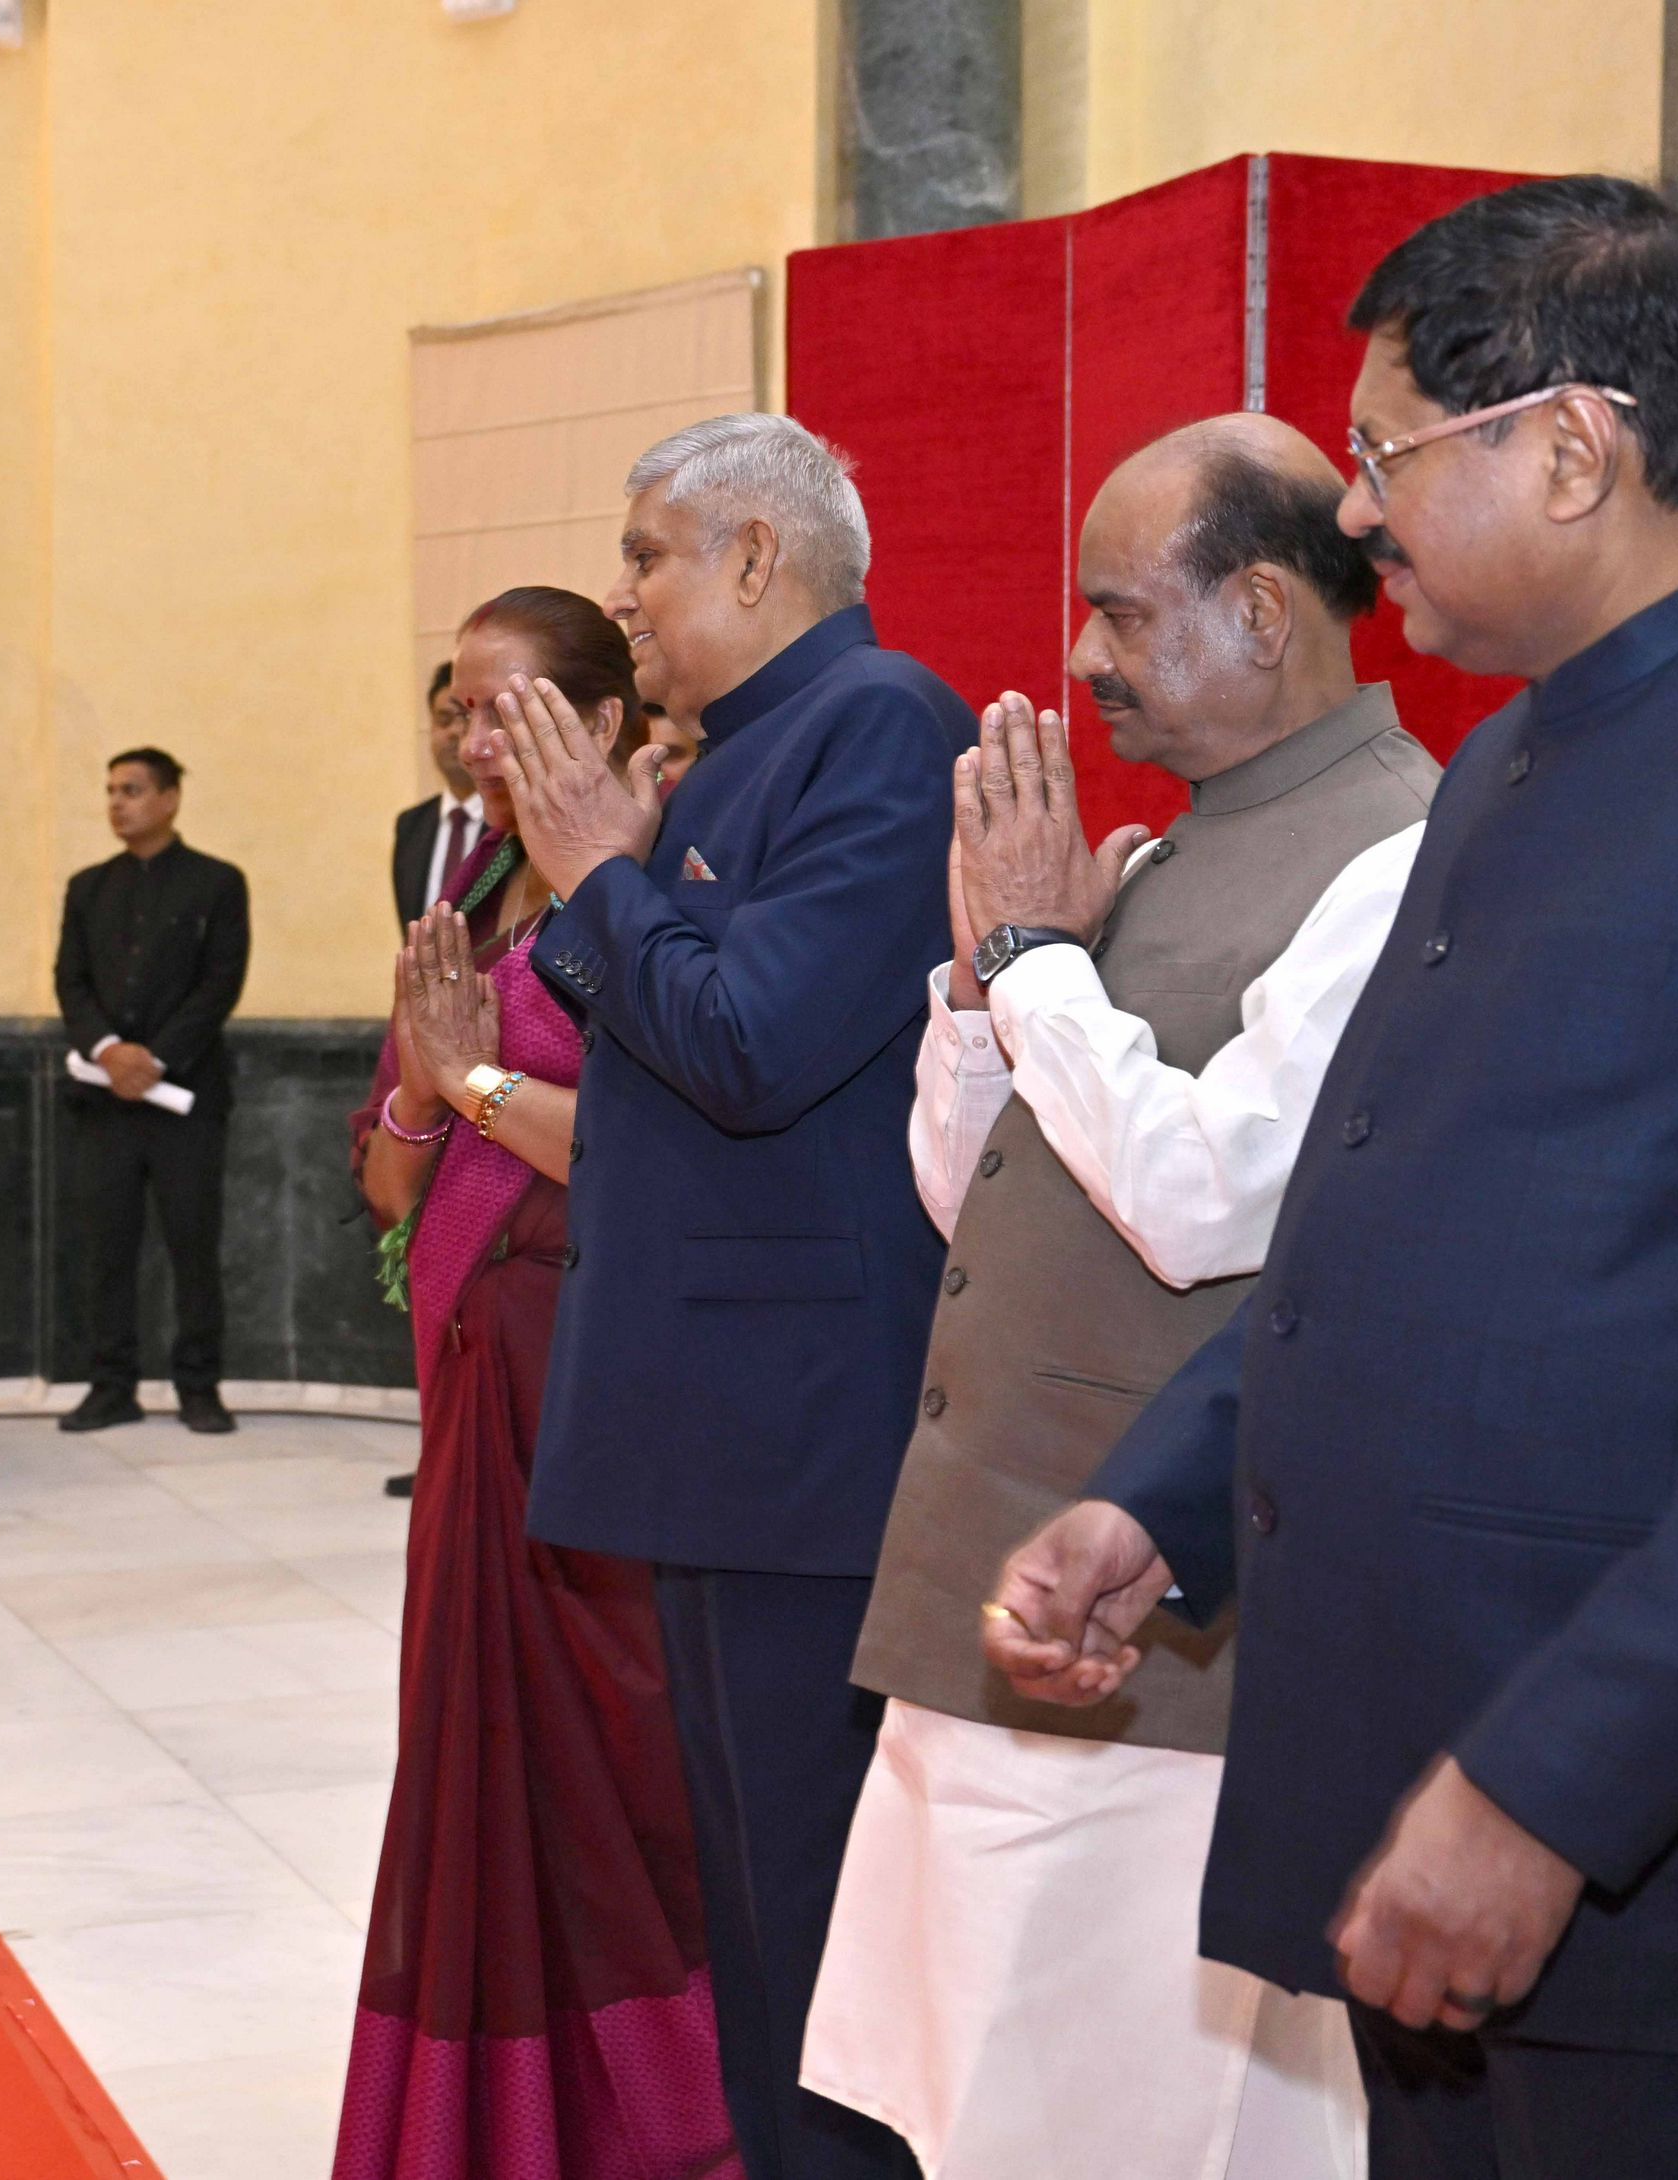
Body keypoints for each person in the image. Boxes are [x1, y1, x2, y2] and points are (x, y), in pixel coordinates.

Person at [989, 175, 1678, 2180]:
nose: (1356, 513)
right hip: (1442, 1806)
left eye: (1390, 452)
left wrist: (1552, 1789)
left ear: (1572, 449)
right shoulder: (1506, 762)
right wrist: (1165, 1503)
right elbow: (1401, 1212)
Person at [806, 417, 1429, 2180]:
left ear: (1262, 611)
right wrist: (980, 988)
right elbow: (980, 1201)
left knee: (1113, 2120)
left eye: (1123, 613)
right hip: (992, 1558)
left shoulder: (1398, 858)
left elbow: (1206, 1204)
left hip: (1163, 1619)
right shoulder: (1157, 855)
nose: (1084, 657)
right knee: (966, 2101)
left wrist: (1038, 967)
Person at [487, 411, 975, 2180]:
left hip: (800, 1439)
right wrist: (615, 875)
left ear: (757, 558)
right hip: (728, 1433)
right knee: (758, 1913)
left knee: (813, 1915)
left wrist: (598, 871)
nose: (620, 598)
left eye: (646, 557)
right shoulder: (742, 750)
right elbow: (670, 1022)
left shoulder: (878, 722)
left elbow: (753, 1045)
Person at [335, 585, 736, 2180]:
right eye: (458, 707)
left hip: (592, 1362)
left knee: (608, 1759)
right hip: (471, 1371)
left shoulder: (650, 885)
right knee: (472, 1758)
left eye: (505, 707)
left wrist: (471, 1077)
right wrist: (431, 1089)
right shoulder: (471, 892)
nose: (472, 737)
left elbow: (666, 1149)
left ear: (606, 718)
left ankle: (667, 2119)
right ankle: (490, 2127)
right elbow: (389, 1177)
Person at [53, 747, 251, 1434]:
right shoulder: (88, 888)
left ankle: (200, 1387)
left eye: (132, 790)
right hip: (104, 1099)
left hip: (187, 1101)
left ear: (169, 798)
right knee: (106, 1249)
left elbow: (219, 984)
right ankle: (111, 1387)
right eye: (111, 790)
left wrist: (157, 1058)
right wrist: (110, 1051)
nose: (117, 802)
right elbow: (71, 982)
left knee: (193, 1246)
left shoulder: (217, 883)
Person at [393, 661, 481, 929]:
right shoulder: (410, 826)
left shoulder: (512, 825)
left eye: (465, 717)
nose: (454, 731)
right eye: (444, 719)